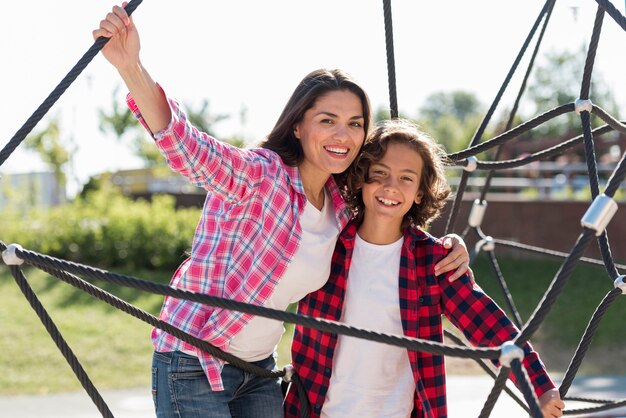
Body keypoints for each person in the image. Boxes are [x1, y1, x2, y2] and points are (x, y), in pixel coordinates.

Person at [93, 4, 471, 418]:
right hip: (194, 359)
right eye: (328, 120)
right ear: (298, 125)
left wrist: (449, 246)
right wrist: (131, 66)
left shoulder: (340, 208)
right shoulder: (261, 175)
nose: (343, 136)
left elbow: (390, 226)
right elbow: (188, 148)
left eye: (356, 123)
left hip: (258, 369)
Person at [285, 119, 565, 418]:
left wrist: (539, 386)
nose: (390, 187)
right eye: (380, 173)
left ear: (420, 192)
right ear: (362, 178)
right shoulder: (328, 242)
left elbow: (490, 326)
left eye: (407, 178)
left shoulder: (433, 261)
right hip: (315, 410)